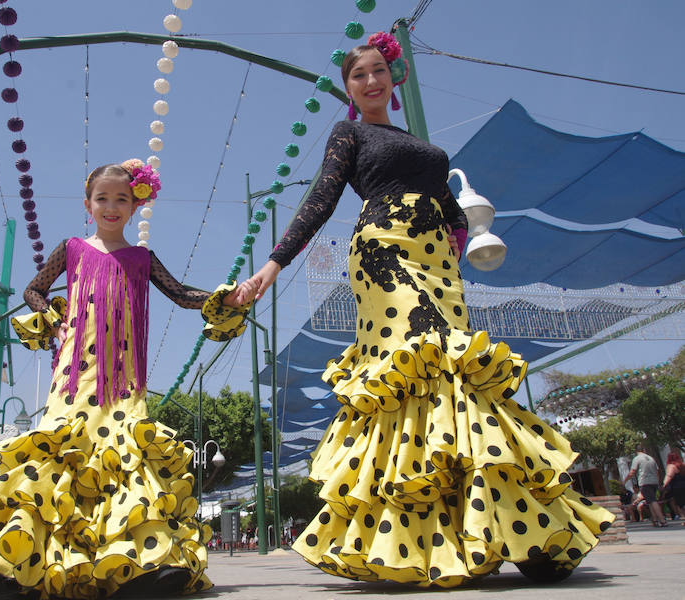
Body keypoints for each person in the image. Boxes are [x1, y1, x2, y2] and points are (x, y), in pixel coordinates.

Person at [242, 31, 614, 587]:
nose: (370, 80)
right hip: (384, 252)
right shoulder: (350, 133)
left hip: (438, 264)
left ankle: (498, 527)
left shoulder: (417, 142)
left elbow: (447, 204)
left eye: (376, 71)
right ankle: (412, 537)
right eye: (358, 75)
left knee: (456, 368)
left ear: (393, 78)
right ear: (349, 89)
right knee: (413, 364)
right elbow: (321, 195)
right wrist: (274, 263)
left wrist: (459, 237)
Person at [0, 159, 255, 599]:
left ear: (135, 205)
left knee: (124, 458)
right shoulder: (73, 248)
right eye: (103, 199)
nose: (112, 207)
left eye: (121, 199)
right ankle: (5, 567)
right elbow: (33, 289)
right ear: (88, 203)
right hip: (74, 371)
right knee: (59, 452)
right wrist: (49, 317)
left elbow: (179, 294)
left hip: (125, 377)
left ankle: (140, 567)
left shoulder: (142, 258)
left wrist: (223, 296)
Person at [624, 444, 666, 527]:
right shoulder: (651, 458)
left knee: (653, 501)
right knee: (650, 500)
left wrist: (625, 480)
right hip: (654, 482)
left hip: (645, 482)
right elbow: (657, 471)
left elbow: (632, 472)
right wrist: (657, 481)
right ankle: (654, 520)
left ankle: (662, 519)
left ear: (636, 451)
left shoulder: (637, 459)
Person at [663, 449, 685, 524]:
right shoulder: (682, 465)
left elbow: (669, 476)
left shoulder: (671, 466)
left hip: (677, 487)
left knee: (681, 504)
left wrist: (664, 484)